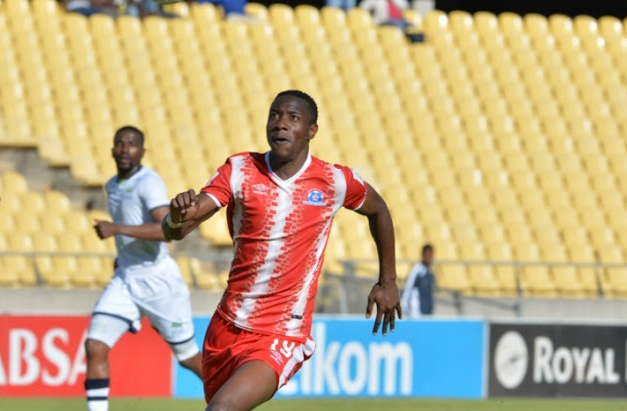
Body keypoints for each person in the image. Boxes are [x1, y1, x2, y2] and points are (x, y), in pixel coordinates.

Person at [162, 90, 402, 410]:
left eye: (293, 118)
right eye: (275, 115)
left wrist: (388, 280)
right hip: (224, 328)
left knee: (222, 409)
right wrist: (176, 215)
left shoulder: (333, 180)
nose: (281, 124)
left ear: (311, 131)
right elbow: (176, 230)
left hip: (281, 335)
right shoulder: (240, 169)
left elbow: (379, 210)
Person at [84, 126, 202, 411]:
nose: (125, 149)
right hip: (126, 278)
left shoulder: (148, 182)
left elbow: (167, 231)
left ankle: (234, 397)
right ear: (112, 150)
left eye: (132, 144)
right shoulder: (112, 184)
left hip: (158, 280)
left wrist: (117, 229)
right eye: (120, 144)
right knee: (95, 345)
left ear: (142, 151)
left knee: (188, 357)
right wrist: (121, 255)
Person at [401, 243, 436, 318]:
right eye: (427, 254)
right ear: (423, 255)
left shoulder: (430, 272)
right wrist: (404, 305)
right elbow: (408, 287)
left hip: (427, 310)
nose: (429, 257)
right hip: (416, 311)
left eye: (431, 255)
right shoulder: (416, 270)